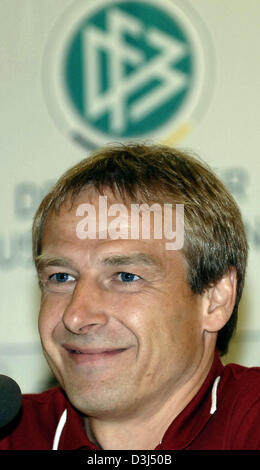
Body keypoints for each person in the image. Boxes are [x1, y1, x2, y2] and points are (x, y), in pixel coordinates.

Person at [0, 142, 259, 450]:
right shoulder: (12, 436)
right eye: (61, 277)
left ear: (215, 299)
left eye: (126, 277)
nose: (76, 316)